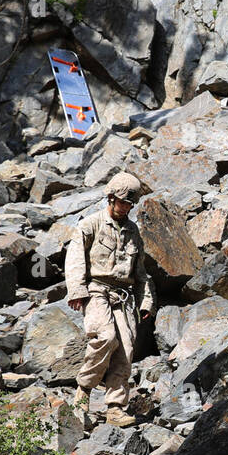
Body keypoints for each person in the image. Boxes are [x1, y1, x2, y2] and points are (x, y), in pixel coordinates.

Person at [64, 171, 154, 427]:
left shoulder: (133, 231)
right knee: (106, 337)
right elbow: (75, 259)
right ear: (111, 198)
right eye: (123, 202)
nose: (126, 208)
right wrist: (77, 290)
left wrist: (146, 301)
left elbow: (141, 272)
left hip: (124, 296)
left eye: (130, 204)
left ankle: (115, 408)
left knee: (126, 349)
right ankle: (83, 392)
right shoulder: (90, 224)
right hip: (96, 291)